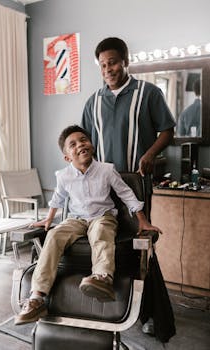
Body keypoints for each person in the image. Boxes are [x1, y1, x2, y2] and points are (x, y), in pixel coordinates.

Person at [14, 125, 161, 325]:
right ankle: (37, 298)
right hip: (77, 219)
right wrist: (49, 220)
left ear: (91, 145)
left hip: (103, 216)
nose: (80, 144)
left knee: (101, 232)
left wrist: (142, 220)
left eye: (83, 140)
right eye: (73, 144)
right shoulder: (63, 176)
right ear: (67, 157)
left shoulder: (106, 169)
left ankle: (102, 278)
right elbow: (57, 199)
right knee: (55, 235)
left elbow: (126, 194)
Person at [81, 37, 176, 334]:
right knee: (107, 242)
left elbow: (167, 130)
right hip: (102, 189)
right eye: (103, 65)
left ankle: (150, 314)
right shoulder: (93, 101)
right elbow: (85, 144)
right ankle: (112, 307)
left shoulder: (148, 93)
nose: (108, 69)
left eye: (113, 62)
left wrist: (149, 154)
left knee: (139, 246)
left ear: (125, 61)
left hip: (135, 185)